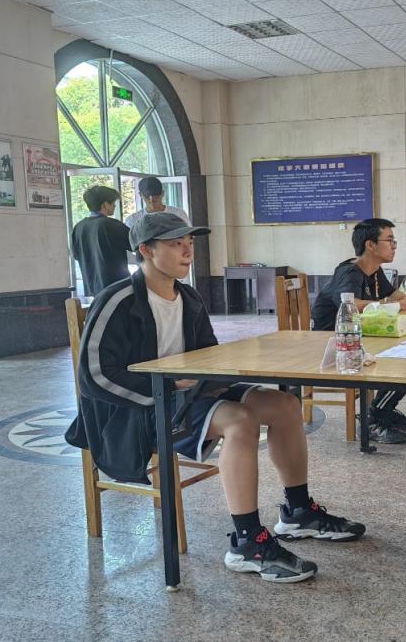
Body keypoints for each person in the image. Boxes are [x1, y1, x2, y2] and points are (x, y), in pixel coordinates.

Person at [66, 212, 365, 584]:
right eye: (175, 243)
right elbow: (93, 377)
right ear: (146, 250)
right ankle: (247, 541)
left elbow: (207, 355)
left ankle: (298, 511)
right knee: (240, 420)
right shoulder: (118, 299)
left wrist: (228, 373)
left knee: (285, 405)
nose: (187, 251)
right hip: (135, 410)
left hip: (186, 392)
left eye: (189, 242)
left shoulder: (188, 296)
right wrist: (171, 387)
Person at [311, 218, 406, 444]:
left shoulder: (374, 271)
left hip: (361, 336)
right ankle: (374, 419)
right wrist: (397, 304)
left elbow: (392, 295)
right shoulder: (349, 272)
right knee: (402, 360)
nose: (394, 246)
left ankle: (384, 411)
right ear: (370, 245)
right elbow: (351, 304)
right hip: (334, 343)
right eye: (389, 240)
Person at [71, 185, 131, 297]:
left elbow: (76, 255)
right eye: (113, 203)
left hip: (93, 289)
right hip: (117, 288)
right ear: (105, 204)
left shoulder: (78, 227)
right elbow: (137, 245)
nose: (115, 206)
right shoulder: (112, 225)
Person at [124, 177, 192, 229]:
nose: (151, 199)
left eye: (155, 195)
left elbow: (189, 237)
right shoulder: (133, 220)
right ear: (140, 195)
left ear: (162, 193)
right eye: (147, 196)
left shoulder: (178, 214)